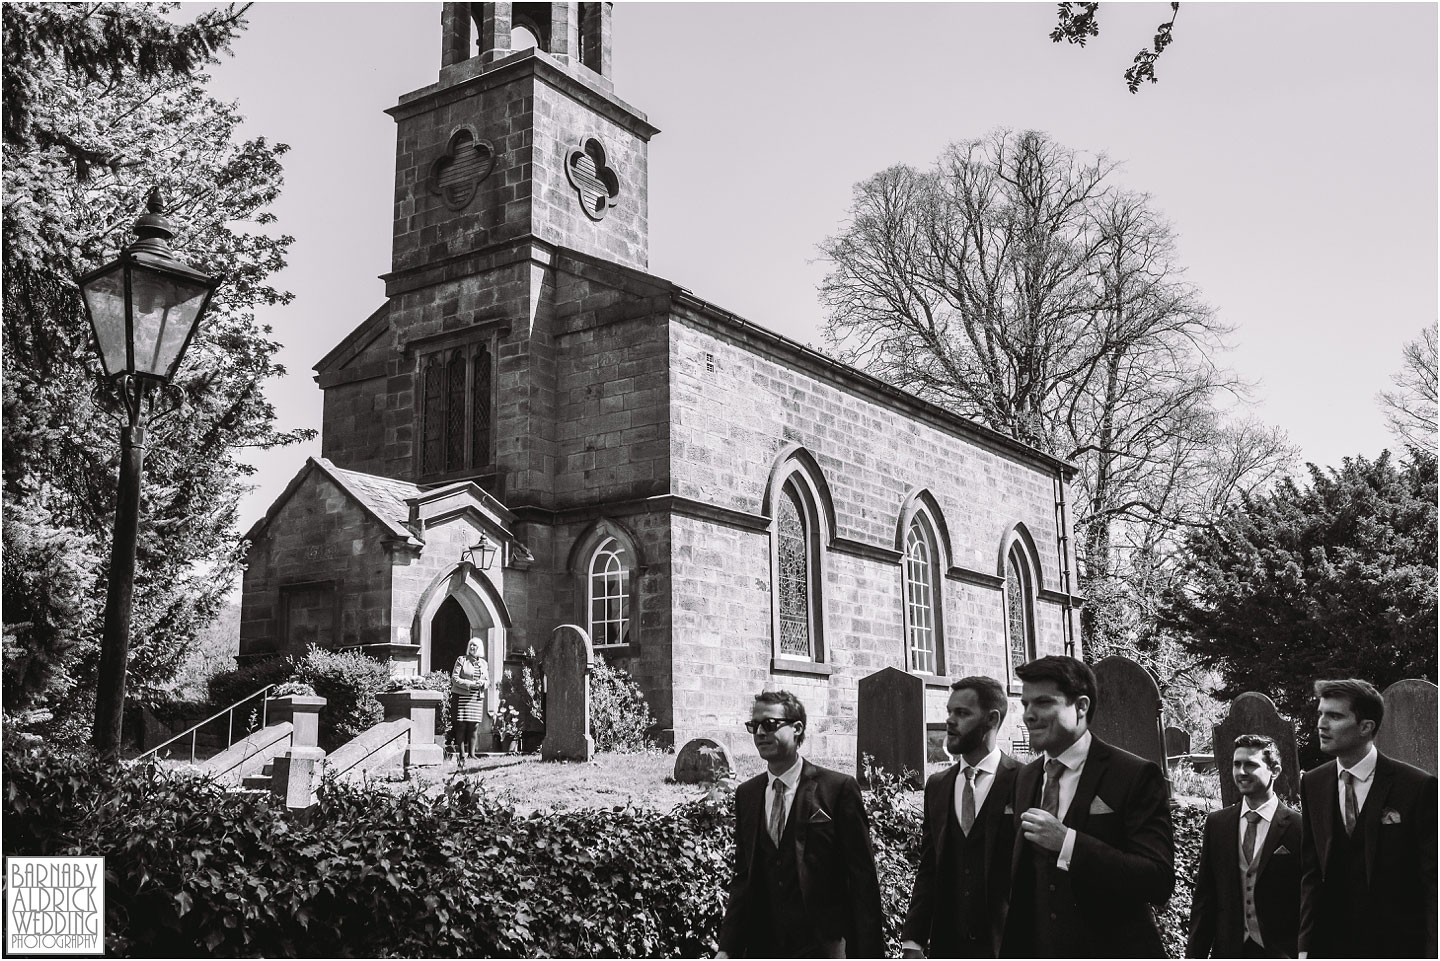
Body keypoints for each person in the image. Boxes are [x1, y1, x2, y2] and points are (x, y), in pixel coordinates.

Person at [1000, 655, 1174, 958]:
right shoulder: (1025, 778)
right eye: (1025, 704)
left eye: (1042, 703)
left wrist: (1068, 842)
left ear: (1081, 707)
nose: (1028, 715)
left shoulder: (1133, 775)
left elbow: (1157, 879)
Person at [716, 690, 883, 959]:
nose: (760, 733)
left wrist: (868, 953)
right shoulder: (747, 794)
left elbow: (862, 880)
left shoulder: (836, 789)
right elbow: (744, 877)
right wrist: (727, 948)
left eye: (769, 724)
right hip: (765, 946)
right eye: (754, 726)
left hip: (823, 946)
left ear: (797, 729)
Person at [1298, 678, 1437, 959]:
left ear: (1366, 727)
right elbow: (1312, 874)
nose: (1321, 724)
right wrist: (1304, 946)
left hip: (1397, 946)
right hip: (1331, 946)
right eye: (1321, 714)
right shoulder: (1313, 783)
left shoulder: (1417, 786)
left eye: (1335, 716)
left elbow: (1433, 882)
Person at [902, 675, 1020, 959]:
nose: (950, 721)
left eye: (963, 713)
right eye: (949, 712)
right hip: (949, 947)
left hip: (1008, 947)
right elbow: (930, 865)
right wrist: (913, 942)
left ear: (992, 720)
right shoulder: (938, 785)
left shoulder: (1025, 781)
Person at [1186, 734, 1301, 958]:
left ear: (1274, 771)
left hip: (1282, 952)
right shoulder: (1217, 824)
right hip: (1229, 951)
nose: (1241, 772)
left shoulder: (1299, 827)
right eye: (1236, 764)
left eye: (1250, 764)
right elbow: (1205, 900)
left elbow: (1309, 903)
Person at [450, 636, 488, 763]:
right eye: (471, 645)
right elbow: (454, 678)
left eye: (475, 646)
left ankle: (472, 754)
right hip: (462, 696)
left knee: (474, 726)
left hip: (476, 697)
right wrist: (470, 683)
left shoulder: (484, 663)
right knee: (461, 725)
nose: (472, 648)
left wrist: (483, 683)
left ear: (479, 648)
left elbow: (488, 681)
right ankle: (462, 754)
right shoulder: (461, 660)